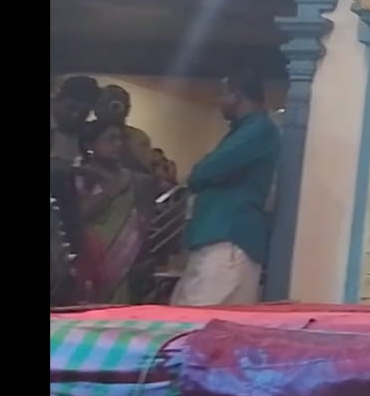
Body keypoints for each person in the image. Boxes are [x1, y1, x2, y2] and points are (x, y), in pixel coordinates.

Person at [170, 68, 281, 307]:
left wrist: (195, 176)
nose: (218, 101)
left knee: (198, 318)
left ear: (237, 95)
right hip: (223, 237)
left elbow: (207, 169)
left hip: (229, 238)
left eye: (222, 94)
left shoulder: (258, 129)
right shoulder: (247, 129)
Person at [67, 120, 165, 304]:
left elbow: (145, 220)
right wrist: (111, 190)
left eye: (120, 139)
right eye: (110, 139)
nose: (118, 144)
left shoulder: (136, 180)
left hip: (130, 261)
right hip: (92, 259)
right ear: (89, 145)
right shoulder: (78, 176)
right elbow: (78, 214)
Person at [94, 84, 157, 173]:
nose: (108, 109)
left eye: (116, 106)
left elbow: (146, 170)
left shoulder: (138, 138)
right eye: (103, 103)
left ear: (127, 110)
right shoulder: (85, 131)